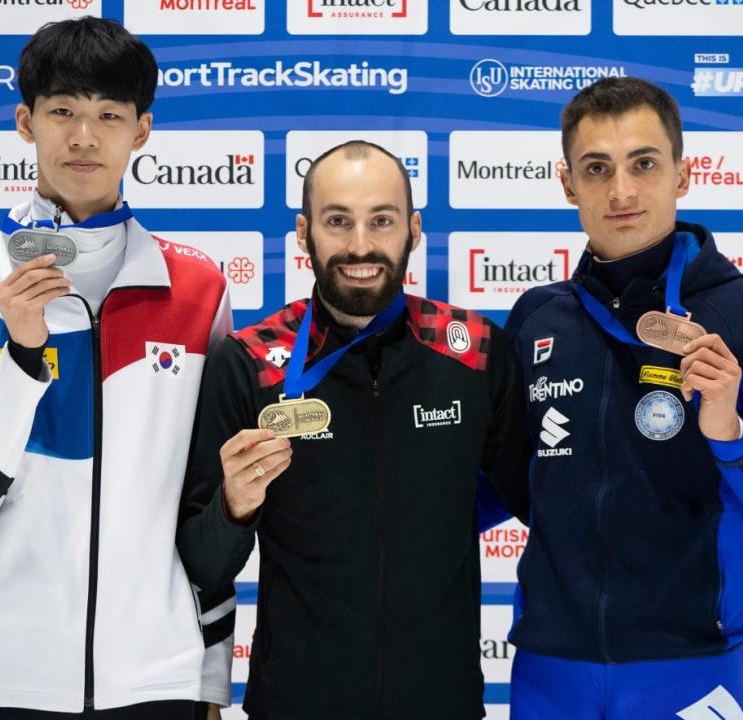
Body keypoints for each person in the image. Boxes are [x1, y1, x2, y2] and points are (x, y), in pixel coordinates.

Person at [0, 17, 232, 720]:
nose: (85, 136)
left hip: (157, 680)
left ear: (141, 131)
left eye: (109, 114)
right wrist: (22, 358)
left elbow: (203, 503)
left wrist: (208, 676)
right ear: (26, 122)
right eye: (63, 112)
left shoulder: (200, 291)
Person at [176, 140, 531, 719]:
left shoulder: (478, 353)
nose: (360, 245)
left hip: (445, 705)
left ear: (414, 229)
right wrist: (234, 508)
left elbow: (541, 500)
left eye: (382, 220)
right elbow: (201, 567)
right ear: (303, 232)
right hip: (294, 704)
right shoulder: (248, 363)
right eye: (338, 221)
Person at [501, 77, 743, 719]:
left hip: (691, 670)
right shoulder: (536, 320)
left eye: (643, 163)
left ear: (684, 173)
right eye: (598, 169)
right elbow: (493, 482)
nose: (621, 191)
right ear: (569, 185)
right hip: (548, 671)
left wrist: (730, 434)